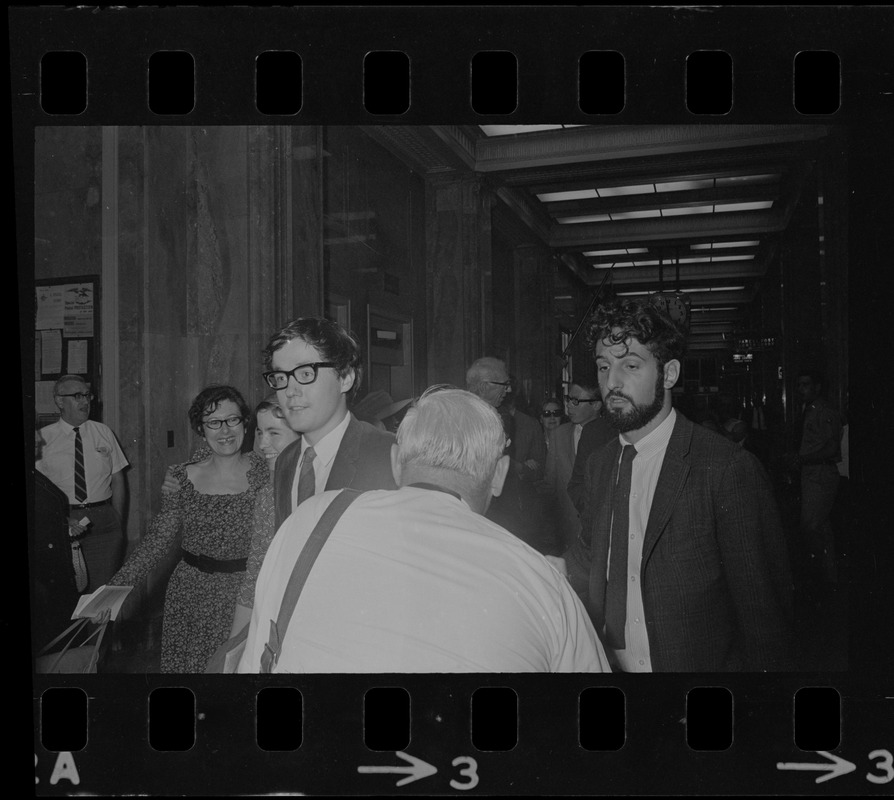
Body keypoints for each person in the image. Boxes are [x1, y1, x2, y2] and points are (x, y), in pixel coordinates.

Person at [237, 387, 611, 673]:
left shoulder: (312, 518)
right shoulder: (540, 578)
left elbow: (255, 661)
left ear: (397, 461)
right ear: (498, 475)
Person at [552, 297, 794, 672]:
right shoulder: (601, 465)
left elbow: (763, 618)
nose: (611, 383)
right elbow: (591, 555)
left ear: (668, 374)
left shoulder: (725, 468)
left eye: (630, 365)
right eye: (603, 367)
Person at [109, 386, 268, 672]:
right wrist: (115, 589)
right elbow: (158, 539)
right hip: (191, 594)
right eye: (213, 423)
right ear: (200, 428)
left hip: (246, 593)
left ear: (246, 422)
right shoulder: (182, 477)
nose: (225, 431)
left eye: (232, 419)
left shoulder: (264, 470)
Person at [263, 317, 397, 530]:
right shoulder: (286, 461)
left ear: (345, 379)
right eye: (280, 377)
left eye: (306, 373)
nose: (289, 390)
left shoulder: (388, 454)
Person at [37, 374, 129, 593]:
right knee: (67, 594)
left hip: (104, 523)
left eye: (87, 395)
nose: (85, 401)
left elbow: (118, 478)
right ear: (59, 401)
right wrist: (63, 519)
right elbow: (38, 493)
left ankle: (101, 629)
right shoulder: (42, 438)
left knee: (102, 596)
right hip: (63, 523)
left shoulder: (103, 432)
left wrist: (117, 519)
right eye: (77, 396)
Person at [229, 396, 302, 637]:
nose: (262, 443)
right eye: (259, 432)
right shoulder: (268, 493)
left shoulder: (314, 485)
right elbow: (254, 573)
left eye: (274, 433)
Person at [466, 358, 549, 551]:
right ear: (485, 385)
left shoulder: (502, 416)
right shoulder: (455, 412)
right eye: (505, 385)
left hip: (501, 506)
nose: (509, 391)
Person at [788, 370, 842, 586]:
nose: (802, 390)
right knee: (820, 526)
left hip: (820, 473)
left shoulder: (825, 411)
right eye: (799, 385)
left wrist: (803, 460)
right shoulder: (808, 410)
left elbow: (831, 448)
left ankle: (820, 574)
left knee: (810, 525)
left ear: (817, 387)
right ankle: (829, 576)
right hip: (810, 473)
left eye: (806, 385)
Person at [32, 428, 81, 653]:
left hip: (54, 578)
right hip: (42, 585)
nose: (39, 438)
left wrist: (64, 523)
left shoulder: (34, 473)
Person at [543, 377, 604, 555]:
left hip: (600, 534)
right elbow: (550, 485)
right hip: (567, 533)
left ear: (596, 405)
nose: (569, 405)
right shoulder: (559, 435)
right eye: (568, 399)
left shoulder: (612, 437)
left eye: (576, 401)